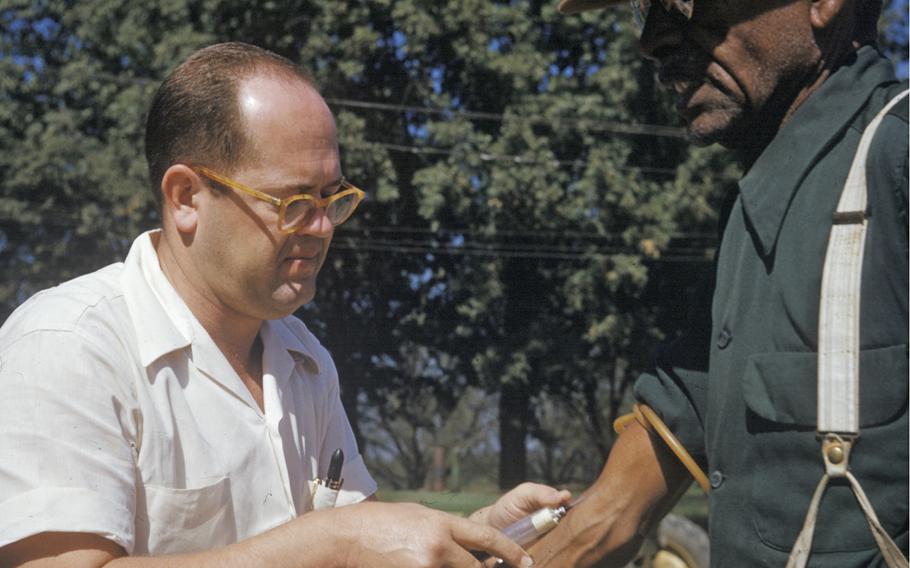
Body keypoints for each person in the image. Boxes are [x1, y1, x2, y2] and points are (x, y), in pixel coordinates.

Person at [0, 42, 566, 568]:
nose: (321, 227)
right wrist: (325, 544)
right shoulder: (68, 346)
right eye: (293, 201)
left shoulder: (302, 356)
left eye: (331, 198)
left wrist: (472, 533)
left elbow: (365, 540)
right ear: (186, 198)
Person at [528, 0, 908, 566]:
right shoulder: (753, 221)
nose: (651, 39)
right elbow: (610, 516)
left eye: (680, 3)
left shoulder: (896, 160)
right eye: (641, 9)